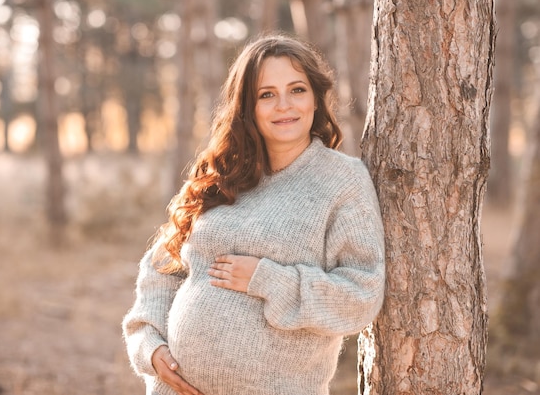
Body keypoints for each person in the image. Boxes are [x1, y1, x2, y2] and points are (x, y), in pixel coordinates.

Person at [123, 33, 385, 395]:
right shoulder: (224, 174)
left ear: (315, 98)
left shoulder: (341, 181)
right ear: (247, 106)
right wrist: (148, 347)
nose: (284, 106)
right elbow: (161, 271)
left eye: (297, 90)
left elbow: (361, 294)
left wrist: (267, 279)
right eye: (267, 95)